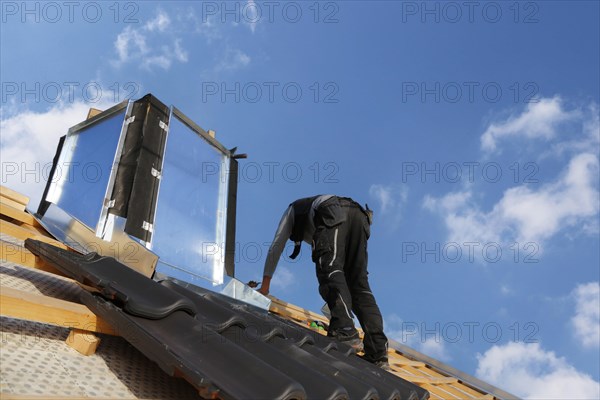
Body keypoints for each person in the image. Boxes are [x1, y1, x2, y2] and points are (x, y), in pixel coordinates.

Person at [257, 195, 390, 369]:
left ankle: (345, 331)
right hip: (360, 217)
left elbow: (276, 245)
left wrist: (265, 285)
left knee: (329, 267)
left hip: (334, 211)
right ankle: (378, 351)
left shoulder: (292, 210)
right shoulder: (316, 223)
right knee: (358, 284)